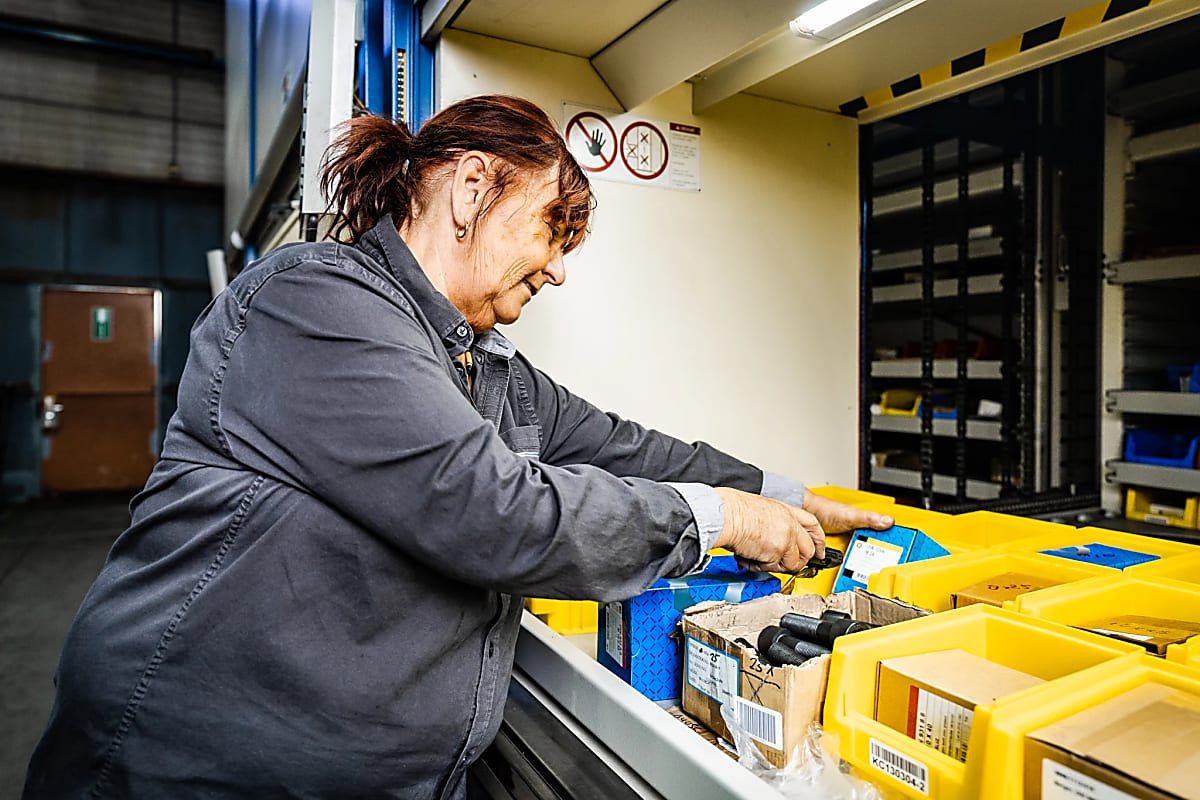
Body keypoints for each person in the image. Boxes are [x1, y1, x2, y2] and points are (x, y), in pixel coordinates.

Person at [24, 95, 892, 799]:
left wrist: (792, 497)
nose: (559, 269)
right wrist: (723, 519)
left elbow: (627, 448)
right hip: (194, 773)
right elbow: (491, 510)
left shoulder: (487, 367)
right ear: (474, 187)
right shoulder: (315, 305)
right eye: (553, 228)